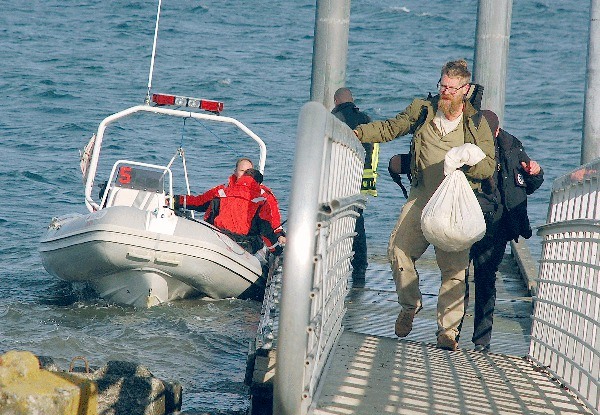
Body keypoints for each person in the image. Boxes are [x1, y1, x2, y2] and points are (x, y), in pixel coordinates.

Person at [353, 59, 496, 351]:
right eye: (442, 86)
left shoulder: (476, 122)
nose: (445, 93)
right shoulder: (423, 109)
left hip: (454, 204)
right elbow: (391, 128)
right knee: (398, 249)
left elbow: (488, 167)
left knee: (454, 269)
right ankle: (410, 305)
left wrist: (467, 162)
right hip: (421, 196)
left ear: (465, 90)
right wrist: (359, 133)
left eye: (452, 88)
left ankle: (448, 332)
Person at [469, 110, 544, 352]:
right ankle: (451, 331)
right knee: (458, 275)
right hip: (469, 218)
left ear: (497, 132)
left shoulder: (513, 147)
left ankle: (482, 338)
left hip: (498, 223)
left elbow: (528, 186)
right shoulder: (467, 145)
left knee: (485, 276)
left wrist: (536, 172)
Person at [174, 168, 284, 256]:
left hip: (217, 237)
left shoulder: (221, 191)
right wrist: (276, 250)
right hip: (243, 244)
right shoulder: (262, 199)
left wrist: (175, 200)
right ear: (259, 183)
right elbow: (266, 230)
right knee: (260, 243)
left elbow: (198, 202)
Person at [332, 87, 378, 281]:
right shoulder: (366, 119)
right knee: (358, 221)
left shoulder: (334, 119)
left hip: (342, 178)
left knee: (337, 220)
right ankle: (360, 265)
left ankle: (336, 263)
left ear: (336, 101)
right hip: (364, 178)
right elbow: (374, 149)